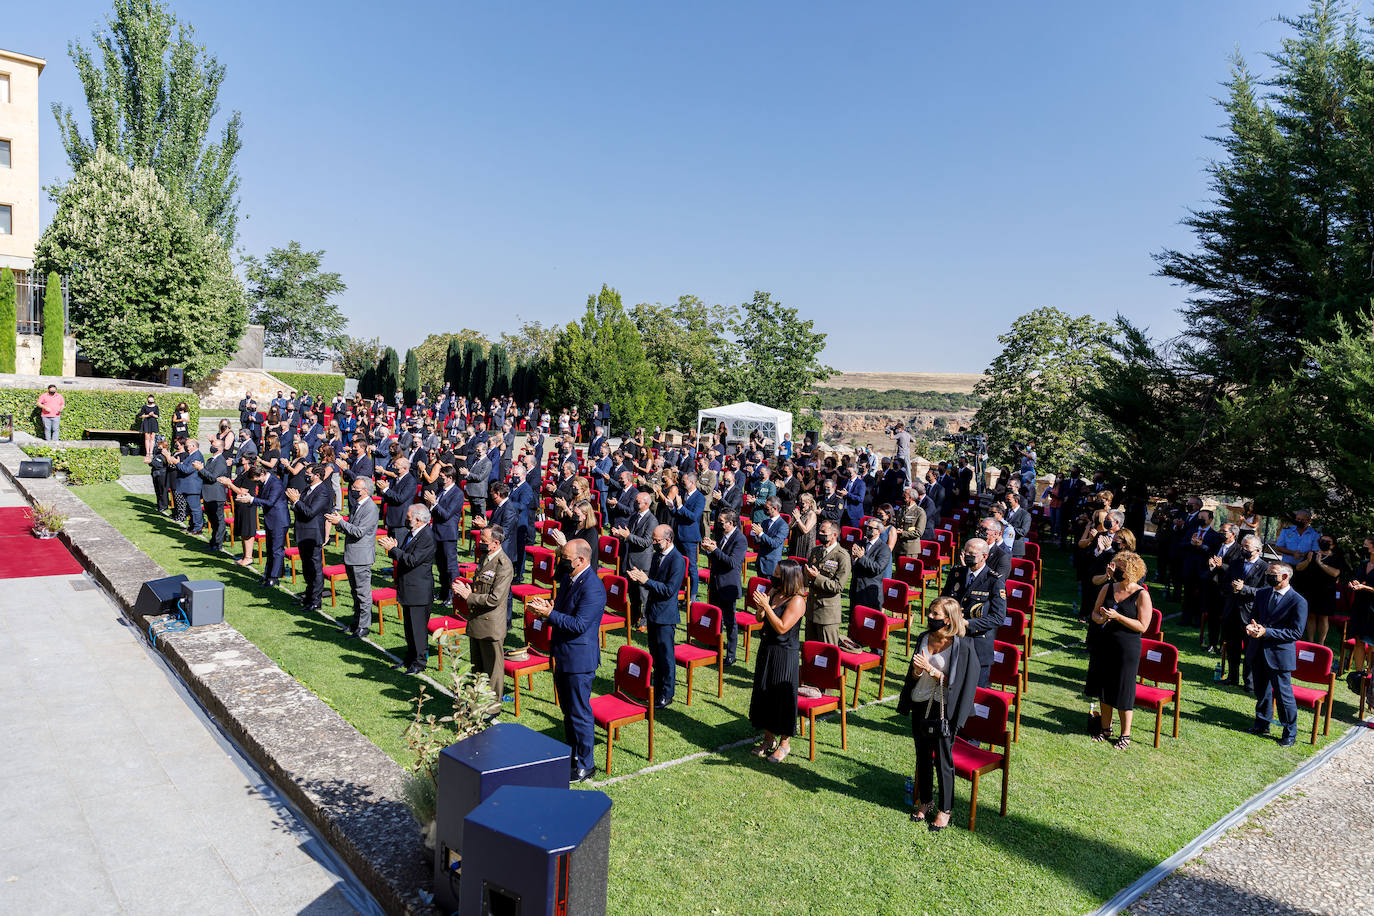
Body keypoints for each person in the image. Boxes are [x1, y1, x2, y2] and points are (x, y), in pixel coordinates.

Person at [897, 596, 980, 831]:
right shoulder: (924, 637)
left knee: (943, 759)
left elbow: (960, 684)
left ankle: (945, 809)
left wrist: (932, 670)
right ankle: (925, 801)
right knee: (922, 755)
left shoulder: (961, 646)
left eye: (936, 614)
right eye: (930, 612)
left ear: (948, 619)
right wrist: (916, 671)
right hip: (921, 702)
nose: (930, 617)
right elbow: (913, 675)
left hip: (943, 708)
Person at [529, 539, 605, 783]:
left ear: (581, 560)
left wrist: (550, 614)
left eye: (566, 559)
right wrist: (549, 607)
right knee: (567, 711)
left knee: (579, 712)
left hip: (579, 659)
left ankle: (586, 763)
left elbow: (579, 624)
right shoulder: (569, 579)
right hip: (563, 654)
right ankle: (572, 753)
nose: (562, 562)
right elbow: (564, 611)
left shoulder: (592, 587)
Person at [1087, 551, 1152, 749]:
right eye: (1114, 566)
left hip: (1127, 647)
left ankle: (1126, 734)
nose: (1114, 570)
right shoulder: (1107, 588)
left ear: (1131, 571)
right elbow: (1095, 613)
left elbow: (1143, 626)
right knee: (1104, 687)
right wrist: (1102, 618)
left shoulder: (1142, 594)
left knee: (1123, 689)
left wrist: (1118, 617)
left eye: (1119, 568)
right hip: (1104, 643)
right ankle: (1106, 728)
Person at [746, 558, 807, 763]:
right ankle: (768, 738)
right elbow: (759, 619)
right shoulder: (774, 592)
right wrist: (761, 607)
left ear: (788, 577)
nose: (773, 577)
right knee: (764, 692)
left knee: (781, 697)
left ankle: (784, 743)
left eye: (778, 574)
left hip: (784, 653)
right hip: (767, 647)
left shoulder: (797, 600)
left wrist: (767, 607)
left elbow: (782, 627)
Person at [1244, 563, 1308, 746]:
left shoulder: (1298, 601)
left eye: (1272, 574)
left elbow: (1295, 633)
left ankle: (1289, 732)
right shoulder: (1263, 593)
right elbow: (1253, 617)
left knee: (1283, 695)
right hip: (1258, 650)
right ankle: (1262, 723)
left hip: (1279, 655)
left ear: (1285, 577)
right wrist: (1252, 626)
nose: (1268, 576)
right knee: (1261, 691)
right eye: (1267, 573)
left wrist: (1267, 632)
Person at [454, 524, 514, 702]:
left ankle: (492, 707)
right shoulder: (485, 558)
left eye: (484, 541)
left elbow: (494, 598)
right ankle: (478, 700)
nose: (480, 543)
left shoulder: (504, 565)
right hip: (477, 621)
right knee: (478, 668)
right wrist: (468, 589)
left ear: (496, 543)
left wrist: (469, 596)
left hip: (490, 625)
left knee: (493, 670)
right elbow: (480, 585)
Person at [630, 524, 687, 709]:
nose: (653, 543)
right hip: (653, 612)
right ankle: (658, 685)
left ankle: (667, 693)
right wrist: (640, 578)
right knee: (655, 654)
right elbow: (653, 582)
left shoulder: (677, 560)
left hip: (665, 616)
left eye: (656, 540)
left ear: (668, 540)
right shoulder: (656, 556)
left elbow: (670, 590)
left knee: (666, 656)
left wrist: (646, 581)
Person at [940, 537, 1006, 688]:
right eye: (965, 552)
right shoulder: (957, 573)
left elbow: (998, 618)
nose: (967, 555)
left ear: (984, 556)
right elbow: (943, 600)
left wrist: (968, 623)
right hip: (952, 641)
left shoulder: (994, 581)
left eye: (972, 553)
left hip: (977, 644)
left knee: (974, 695)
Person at [378, 505, 436, 674]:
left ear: (418, 520)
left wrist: (393, 549)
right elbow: (404, 556)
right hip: (409, 588)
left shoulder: (427, 538)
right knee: (409, 627)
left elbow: (411, 560)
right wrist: (394, 549)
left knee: (418, 629)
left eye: (409, 517)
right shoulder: (413, 533)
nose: (406, 519)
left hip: (419, 591)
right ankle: (410, 658)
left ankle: (419, 662)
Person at [326, 477, 378, 638]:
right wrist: (339, 523)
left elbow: (358, 532)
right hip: (352, 555)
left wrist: (340, 522)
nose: (353, 490)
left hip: (361, 557)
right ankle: (356, 622)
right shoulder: (358, 505)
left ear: (366, 491)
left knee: (363, 593)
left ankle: (364, 626)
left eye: (356, 488)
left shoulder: (370, 508)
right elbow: (352, 527)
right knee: (355, 592)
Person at [1221, 534, 1269, 691]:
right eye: (1242, 546)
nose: (1243, 549)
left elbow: (1265, 591)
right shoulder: (1236, 563)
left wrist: (1244, 589)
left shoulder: (1264, 568)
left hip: (1251, 614)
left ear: (1257, 549)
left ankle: (1249, 683)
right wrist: (1233, 587)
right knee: (1232, 647)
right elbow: (1225, 583)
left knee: (1250, 650)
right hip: (1231, 610)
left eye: (1247, 547)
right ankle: (1232, 677)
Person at [702, 509, 747, 665]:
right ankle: (714, 647)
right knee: (715, 618)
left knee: (729, 621)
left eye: (721, 522)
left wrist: (715, 550)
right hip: (715, 582)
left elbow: (732, 563)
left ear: (731, 523)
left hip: (728, 585)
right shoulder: (721, 535)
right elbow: (717, 557)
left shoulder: (740, 540)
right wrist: (709, 549)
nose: (718, 525)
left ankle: (731, 654)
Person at [286, 464, 332, 612]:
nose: (306, 476)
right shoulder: (308, 489)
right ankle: (308, 595)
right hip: (303, 532)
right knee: (306, 567)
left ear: (317, 475)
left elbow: (310, 512)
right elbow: (301, 508)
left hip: (313, 535)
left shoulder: (322, 492)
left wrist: (297, 502)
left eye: (308, 473)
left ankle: (316, 600)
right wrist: (295, 503)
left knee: (315, 568)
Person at [242, 462, 289, 587]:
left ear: (262, 474)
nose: (256, 483)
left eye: (257, 480)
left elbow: (270, 501)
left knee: (277, 550)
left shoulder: (276, 483)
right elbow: (261, 497)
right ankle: (268, 574)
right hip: (271, 519)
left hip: (279, 520)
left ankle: (274, 577)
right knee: (269, 548)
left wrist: (251, 500)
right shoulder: (264, 482)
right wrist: (250, 497)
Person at [614, 492, 656, 631]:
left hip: (643, 561)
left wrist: (628, 536)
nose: (635, 504)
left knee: (644, 594)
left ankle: (644, 621)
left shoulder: (652, 520)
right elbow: (629, 534)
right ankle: (634, 616)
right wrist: (621, 535)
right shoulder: (634, 516)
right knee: (633, 593)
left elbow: (646, 542)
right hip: (631, 559)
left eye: (637, 502)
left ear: (646, 504)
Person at [803, 520, 850, 644]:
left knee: (826, 653)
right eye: (819, 530)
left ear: (834, 535)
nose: (820, 533)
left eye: (824, 532)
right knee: (810, 650)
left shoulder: (841, 556)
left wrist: (816, 577)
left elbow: (838, 586)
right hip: (811, 609)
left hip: (827, 614)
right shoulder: (816, 551)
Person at [425, 466, 464, 604]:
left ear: (450, 478)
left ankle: (454, 595)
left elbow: (446, 514)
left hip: (448, 534)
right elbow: (435, 511)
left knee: (450, 567)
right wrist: (431, 504)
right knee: (441, 566)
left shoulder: (457, 493)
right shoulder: (440, 490)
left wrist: (434, 503)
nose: (440, 479)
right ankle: (443, 592)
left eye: (442, 477)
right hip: (436, 532)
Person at [670, 473, 705, 601]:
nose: (682, 482)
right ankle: (680, 592)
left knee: (692, 567)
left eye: (684, 481)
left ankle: (693, 597)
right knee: (679, 566)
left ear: (692, 482)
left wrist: (680, 506)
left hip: (690, 537)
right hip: (679, 535)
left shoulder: (700, 498)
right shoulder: (683, 494)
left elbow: (694, 517)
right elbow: (678, 514)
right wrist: (672, 507)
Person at [194, 441, 230, 552]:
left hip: (216, 496)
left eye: (214, 446)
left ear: (220, 449)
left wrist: (201, 469)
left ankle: (218, 544)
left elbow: (213, 477)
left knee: (218, 521)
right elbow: (205, 475)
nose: (212, 448)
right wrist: (200, 470)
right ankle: (213, 541)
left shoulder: (220, 461)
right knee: (213, 521)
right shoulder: (210, 459)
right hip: (208, 494)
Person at [850, 516, 892, 611]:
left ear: (878, 531)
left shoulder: (884, 549)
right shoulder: (860, 543)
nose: (867, 530)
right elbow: (851, 565)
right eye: (866, 527)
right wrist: (853, 559)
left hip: (870, 592)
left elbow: (877, 568)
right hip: (856, 589)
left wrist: (862, 557)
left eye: (870, 528)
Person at [378, 456, 417, 543]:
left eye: (396, 466)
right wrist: (383, 491)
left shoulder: (410, 481)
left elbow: (400, 498)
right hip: (391, 519)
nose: (394, 468)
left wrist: (386, 490)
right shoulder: (396, 479)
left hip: (401, 521)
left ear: (404, 468)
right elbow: (390, 497)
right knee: (391, 550)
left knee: (399, 549)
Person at [174, 439, 206, 535]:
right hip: (188, 486)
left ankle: (198, 528)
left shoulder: (197, 456)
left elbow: (187, 470)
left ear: (193, 446)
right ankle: (192, 526)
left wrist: (177, 463)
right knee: (190, 509)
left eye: (187, 446)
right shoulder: (191, 455)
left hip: (193, 487)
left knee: (195, 508)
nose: (186, 448)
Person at [753, 496, 788, 578]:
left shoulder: (783, 526)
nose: (764, 509)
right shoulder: (765, 522)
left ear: (774, 508)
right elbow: (758, 542)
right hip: (760, 562)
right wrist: (757, 536)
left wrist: (761, 534)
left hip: (771, 565)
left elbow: (775, 543)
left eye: (767, 508)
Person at [789, 492, 818, 558]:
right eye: (800, 502)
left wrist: (798, 519)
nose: (800, 505)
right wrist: (794, 519)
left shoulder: (811, 514)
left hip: (806, 543)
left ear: (809, 503)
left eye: (803, 503)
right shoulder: (799, 512)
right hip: (796, 541)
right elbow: (789, 527)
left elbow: (805, 530)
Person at [148, 435, 171, 514]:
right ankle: (159, 505)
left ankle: (163, 505)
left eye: (159, 445)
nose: (158, 446)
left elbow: (159, 464)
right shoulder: (157, 452)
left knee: (162, 490)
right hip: (156, 473)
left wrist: (150, 462)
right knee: (157, 490)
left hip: (162, 473)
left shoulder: (165, 454)